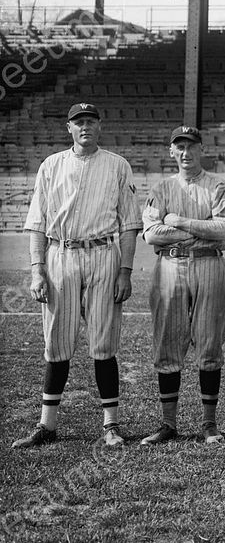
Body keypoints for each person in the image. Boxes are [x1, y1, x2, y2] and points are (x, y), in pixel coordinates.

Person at [13, 102, 139, 450]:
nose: (85, 127)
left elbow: (129, 225)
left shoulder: (117, 165)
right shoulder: (51, 165)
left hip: (103, 254)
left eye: (91, 121)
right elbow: (37, 222)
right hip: (61, 255)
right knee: (57, 344)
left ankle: (110, 426)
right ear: (68, 128)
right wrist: (37, 270)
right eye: (78, 122)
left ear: (100, 126)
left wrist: (125, 271)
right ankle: (46, 425)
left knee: (104, 344)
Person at [140, 126, 225, 446]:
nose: (185, 152)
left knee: (209, 345)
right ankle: (169, 423)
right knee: (168, 343)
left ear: (201, 149)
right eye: (179, 146)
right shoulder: (161, 188)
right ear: (171, 151)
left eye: (191, 146)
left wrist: (179, 222)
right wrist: (199, 232)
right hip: (170, 265)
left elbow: (224, 230)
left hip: (210, 264)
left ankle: (209, 423)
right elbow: (152, 234)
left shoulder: (220, 185)